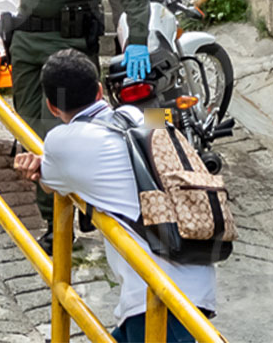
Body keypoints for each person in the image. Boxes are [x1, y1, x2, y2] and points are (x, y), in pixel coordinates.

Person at [13, 49, 218, 343]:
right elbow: (165, 122)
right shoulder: (136, 114)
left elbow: (49, 183)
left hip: (156, 293)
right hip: (193, 273)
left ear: (52, 107)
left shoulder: (59, 141)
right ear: (99, 91)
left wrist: (37, 163)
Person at [7, 0, 151, 252]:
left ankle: (61, 224)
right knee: (29, 129)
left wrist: (137, 37)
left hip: (66, 45)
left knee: (58, 135)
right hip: (26, 42)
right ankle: (69, 207)